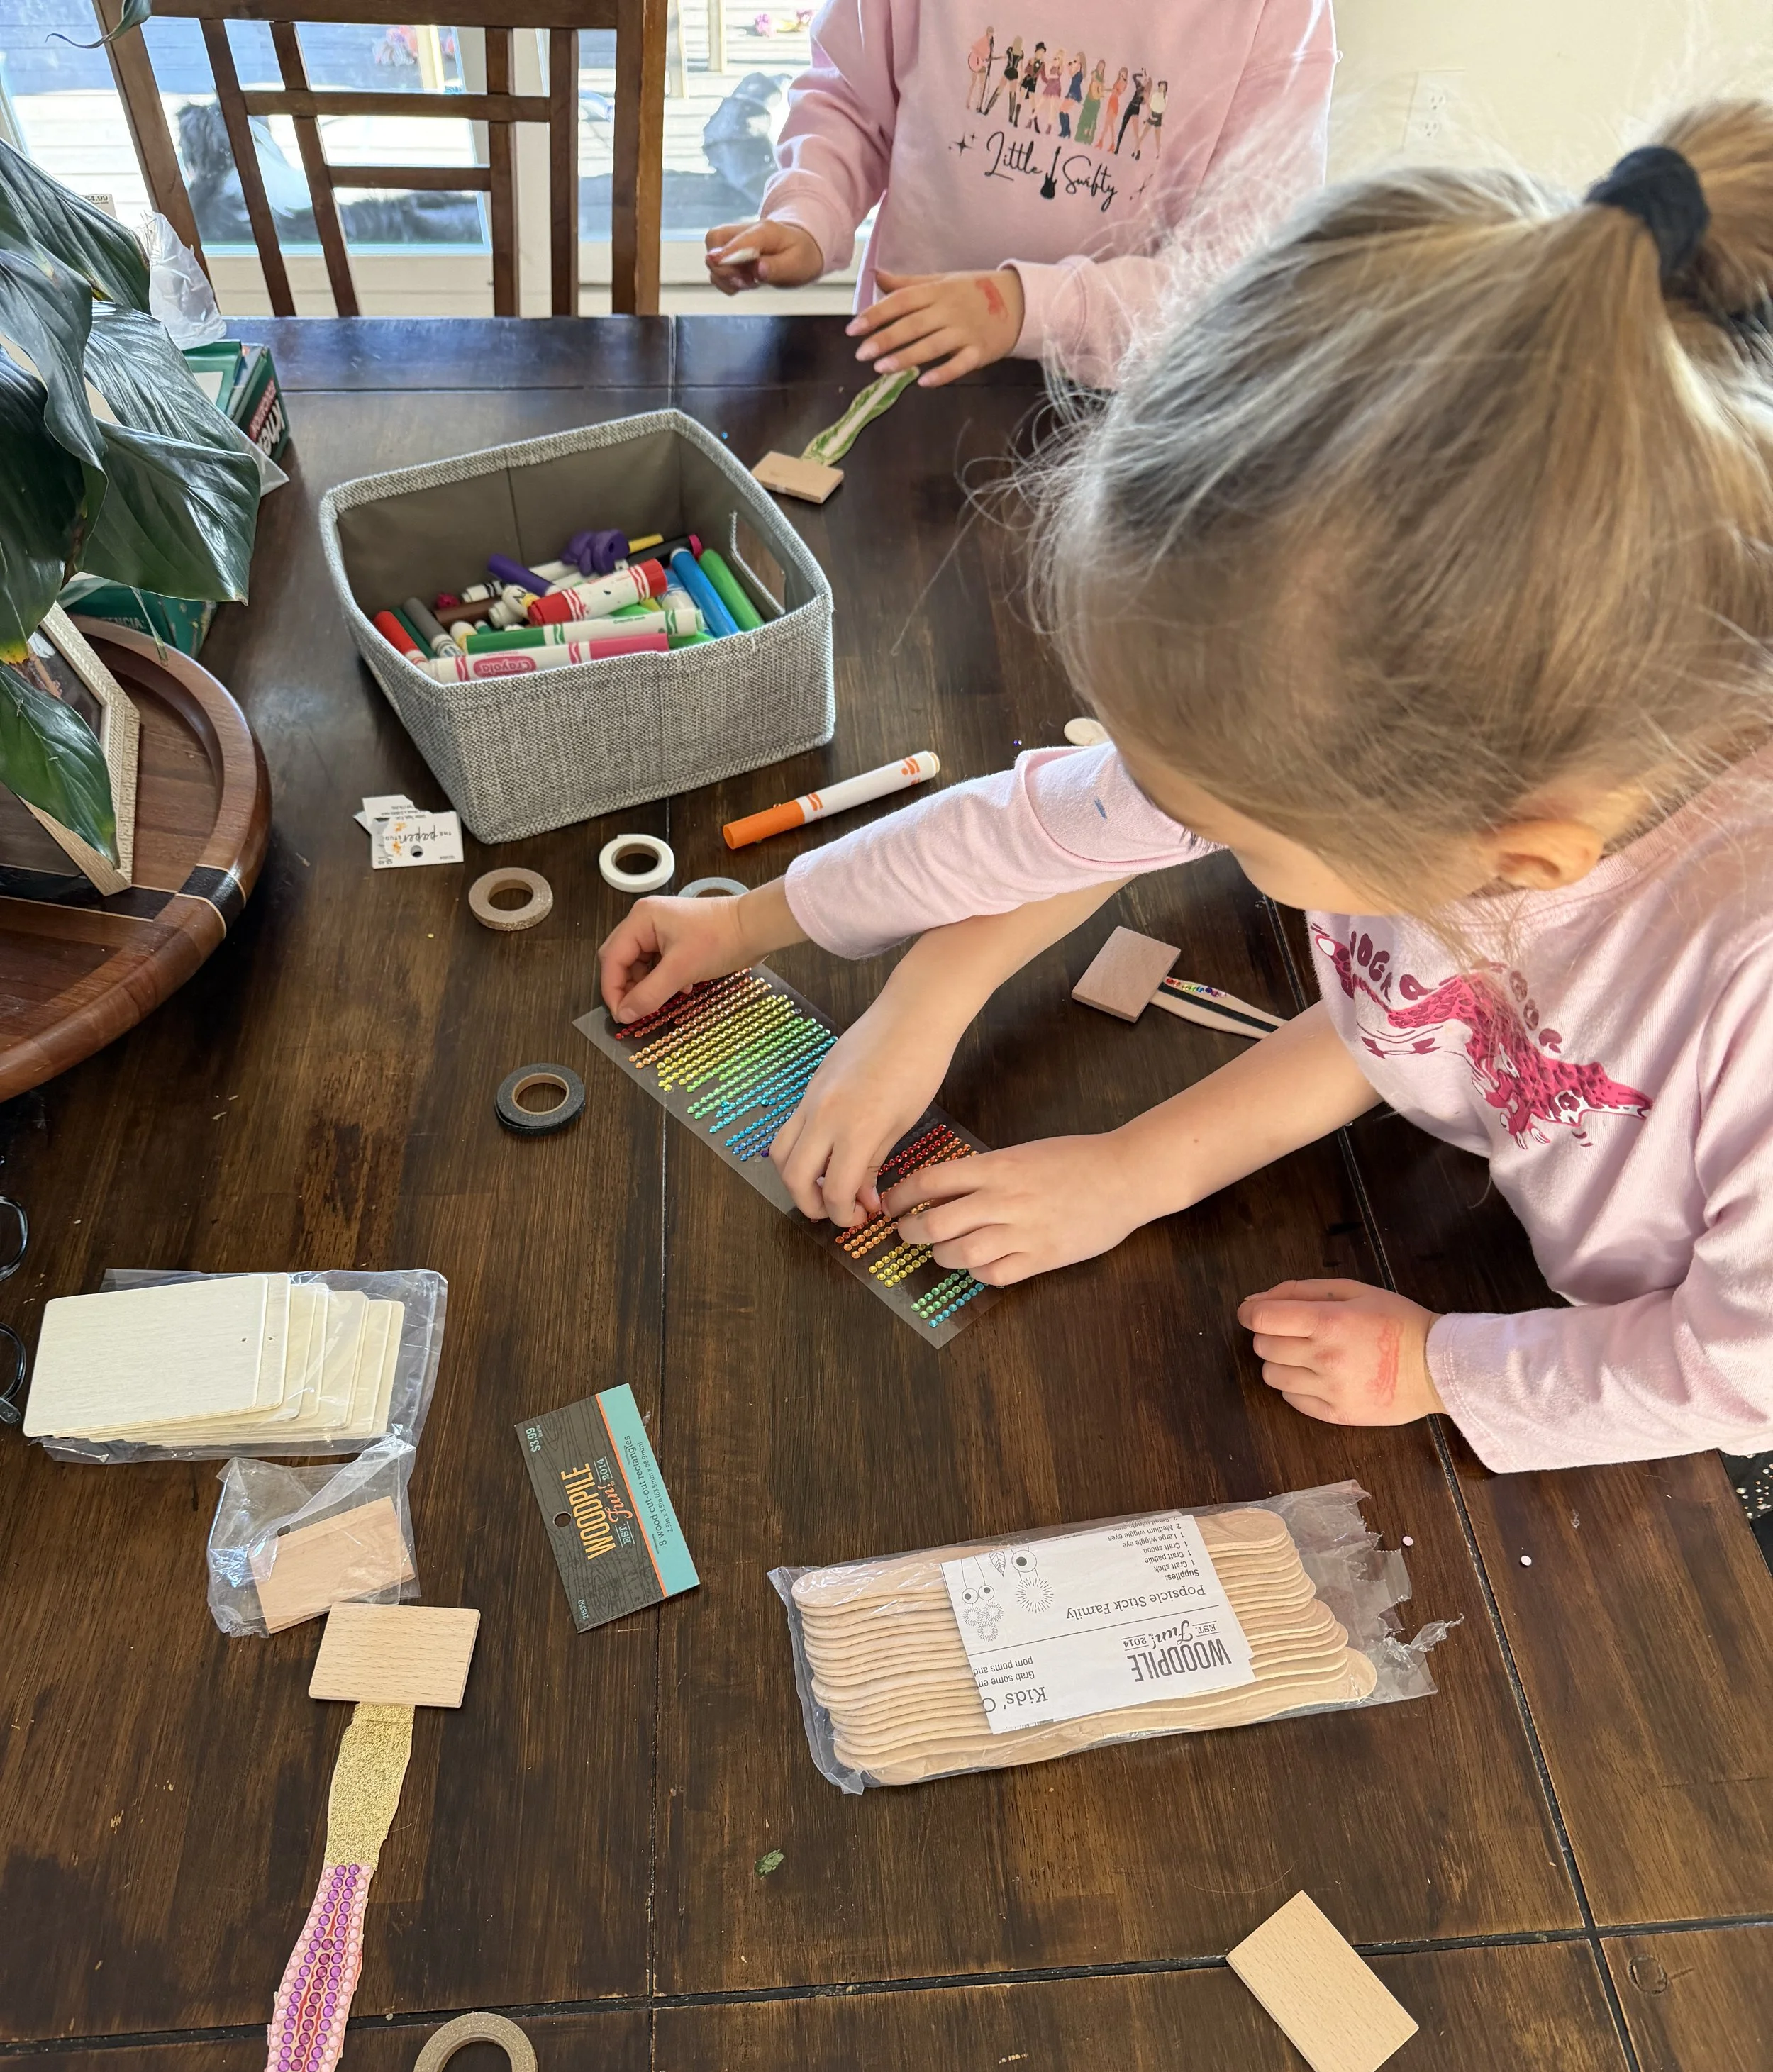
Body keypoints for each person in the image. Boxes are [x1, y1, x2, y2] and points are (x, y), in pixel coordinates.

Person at [611, 106, 1773, 1478]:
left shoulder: (1736, 978)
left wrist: (1442, 1364)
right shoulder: (1430, 776)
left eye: (1219, 826)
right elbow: (1390, 1003)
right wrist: (748, 926)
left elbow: (1733, 1367)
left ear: (1517, 856)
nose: (1157, 818)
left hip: (1661, 1387)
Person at [705, 1, 1337, 389]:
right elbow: (851, 99)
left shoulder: (1276, 15)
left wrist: (1020, 308)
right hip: (911, 373)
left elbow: (1238, 278)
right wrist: (810, 210)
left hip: (1127, 409)